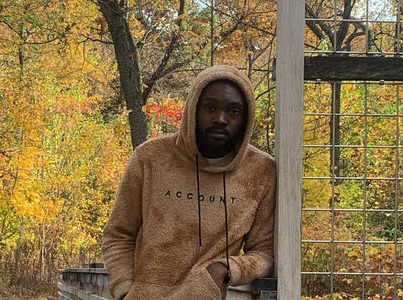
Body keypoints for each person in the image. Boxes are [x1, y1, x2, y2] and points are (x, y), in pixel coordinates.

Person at [102, 64, 276, 300]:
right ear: (194, 108)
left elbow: (264, 252)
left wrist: (224, 269)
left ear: (246, 118)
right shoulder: (150, 157)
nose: (220, 119)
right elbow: (118, 236)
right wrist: (124, 290)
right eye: (210, 108)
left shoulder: (261, 171)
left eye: (233, 111)